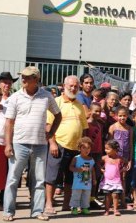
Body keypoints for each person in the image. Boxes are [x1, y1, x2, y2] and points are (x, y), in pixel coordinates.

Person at [3, 66, 62, 221]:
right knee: (12, 179)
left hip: (40, 144)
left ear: (36, 79)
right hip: (19, 144)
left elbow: (58, 115)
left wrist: (51, 133)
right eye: (22, 76)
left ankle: (37, 212)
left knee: (39, 180)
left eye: (27, 77)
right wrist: (8, 144)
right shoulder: (15, 97)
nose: (23, 79)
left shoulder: (46, 96)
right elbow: (9, 122)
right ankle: (8, 212)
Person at [45, 75, 88, 214]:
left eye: (76, 86)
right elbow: (48, 125)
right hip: (59, 145)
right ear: (64, 86)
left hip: (75, 148)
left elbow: (84, 127)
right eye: (70, 85)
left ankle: (66, 205)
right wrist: (52, 143)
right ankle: (49, 205)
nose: (73, 88)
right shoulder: (56, 102)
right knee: (52, 176)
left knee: (71, 178)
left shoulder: (80, 106)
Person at [108, 106, 133, 206]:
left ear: (127, 116)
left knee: (123, 178)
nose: (122, 118)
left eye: (124, 116)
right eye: (120, 116)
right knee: (113, 177)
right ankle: (111, 202)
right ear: (116, 116)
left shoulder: (129, 128)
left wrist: (130, 160)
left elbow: (130, 144)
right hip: (114, 157)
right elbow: (109, 144)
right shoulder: (113, 127)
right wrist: (109, 157)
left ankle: (122, 201)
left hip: (125, 157)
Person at [69, 137, 96, 215]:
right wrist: (78, 169)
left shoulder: (91, 159)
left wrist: (94, 179)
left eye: (88, 148)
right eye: (84, 147)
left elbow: (92, 170)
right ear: (79, 148)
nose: (86, 150)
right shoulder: (76, 158)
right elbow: (71, 167)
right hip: (77, 182)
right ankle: (74, 208)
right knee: (76, 195)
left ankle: (84, 208)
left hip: (87, 182)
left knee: (86, 195)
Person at [100, 140, 125, 216]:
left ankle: (115, 210)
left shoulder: (119, 159)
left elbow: (126, 164)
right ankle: (107, 210)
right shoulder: (104, 158)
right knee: (107, 196)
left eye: (108, 149)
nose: (105, 150)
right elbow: (98, 164)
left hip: (116, 181)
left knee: (115, 195)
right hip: (107, 181)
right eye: (105, 148)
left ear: (114, 150)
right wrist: (102, 170)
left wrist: (122, 170)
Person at [86, 103, 104, 206]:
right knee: (87, 176)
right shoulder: (87, 124)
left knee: (96, 176)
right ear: (90, 111)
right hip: (89, 153)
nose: (97, 113)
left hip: (98, 153)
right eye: (95, 111)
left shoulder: (99, 124)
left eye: (99, 111)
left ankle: (93, 198)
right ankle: (86, 198)